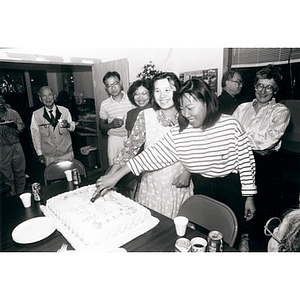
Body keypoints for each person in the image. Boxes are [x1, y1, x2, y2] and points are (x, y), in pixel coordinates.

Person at [97, 78, 257, 244]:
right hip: (202, 187)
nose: (186, 115)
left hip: (231, 187)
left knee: (229, 238)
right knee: (203, 236)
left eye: (189, 108)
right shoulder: (182, 131)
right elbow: (151, 155)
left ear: (206, 102)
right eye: (182, 109)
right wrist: (115, 176)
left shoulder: (231, 125)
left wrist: (249, 196)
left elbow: (246, 162)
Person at [103, 72, 193, 219]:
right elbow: (130, 147)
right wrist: (111, 174)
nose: (162, 95)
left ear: (177, 91)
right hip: (151, 183)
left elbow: (193, 150)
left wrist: (187, 173)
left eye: (167, 90)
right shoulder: (146, 115)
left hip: (177, 182)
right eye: (157, 90)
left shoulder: (188, 115)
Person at [233, 65, 291, 251]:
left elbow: (268, 143)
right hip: (238, 163)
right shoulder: (242, 108)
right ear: (254, 86)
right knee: (237, 205)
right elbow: (229, 135)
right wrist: (251, 143)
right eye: (260, 86)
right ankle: (237, 240)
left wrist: (241, 141)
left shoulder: (281, 112)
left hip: (265, 168)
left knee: (259, 211)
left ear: (276, 90)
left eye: (269, 87)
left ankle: (254, 245)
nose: (263, 91)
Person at [30, 86, 76, 166]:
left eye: (50, 95)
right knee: (53, 176)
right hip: (49, 156)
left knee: (69, 176)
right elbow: (35, 136)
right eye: (44, 96)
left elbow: (72, 128)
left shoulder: (65, 111)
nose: (48, 98)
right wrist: (39, 154)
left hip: (66, 154)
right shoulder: (36, 115)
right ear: (40, 99)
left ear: (54, 96)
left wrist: (68, 125)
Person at [99, 71, 135, 166]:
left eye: (115, 83)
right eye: (109, 85)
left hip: (132, 138)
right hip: (114, 140)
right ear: (106, 88)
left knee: (132, 167)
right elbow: (101, 126)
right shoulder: (105, 104)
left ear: (121, 83)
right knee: (114, 167)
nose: (113, 88)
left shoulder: (132, 99)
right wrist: (111, 125)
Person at [0, 93, 26, 196]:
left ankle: (22, 195)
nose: (0, 102)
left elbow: (22, 127)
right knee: (7, 176)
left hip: (16, 145)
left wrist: (14, 125)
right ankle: (12, 197)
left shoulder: (13, 113)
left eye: (1, 99)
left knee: (20, 172)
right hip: (2, 147)